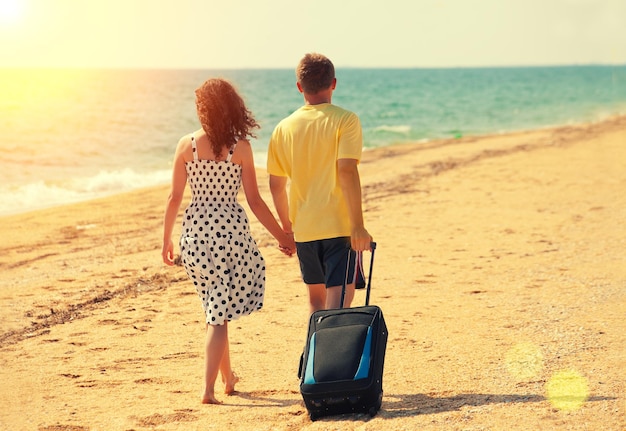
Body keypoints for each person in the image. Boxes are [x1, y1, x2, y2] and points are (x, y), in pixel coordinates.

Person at [162, 78, 295, 404]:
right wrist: (284, 236)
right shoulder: (241, 148)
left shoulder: (187, 145)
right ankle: (207, 390)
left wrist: (166, 240)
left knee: (214, 308)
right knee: (217, 315)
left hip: (194, 238)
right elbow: (255, 201)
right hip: (231, 239)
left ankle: (227, 379)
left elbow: (174, 197)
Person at [267, 53, 372, 316]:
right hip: (338, 227)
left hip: (304, 229)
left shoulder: (283, 128)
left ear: (299, 87)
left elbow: (276, 185)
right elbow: (346, 171)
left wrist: (287, 228)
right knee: (337, 305)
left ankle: (314, 357)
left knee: (316, 304)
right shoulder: (346, 120)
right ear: (333, 83)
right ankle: (329, 358)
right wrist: (358, 226)